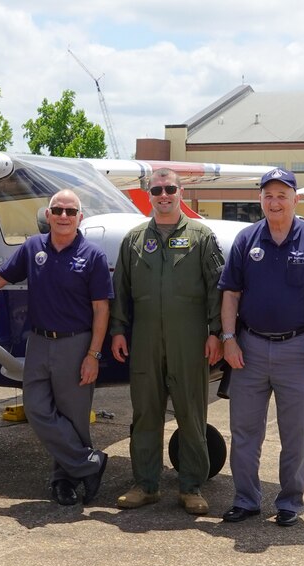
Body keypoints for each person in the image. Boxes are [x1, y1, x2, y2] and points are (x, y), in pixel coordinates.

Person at [218, 168, 304, 527]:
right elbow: (231, 294)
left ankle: (289, 502)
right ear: (260, 199)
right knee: (244, 432)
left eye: (282, 195)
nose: (275, 202)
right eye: (268, 196)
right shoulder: (246, 240)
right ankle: (245, 500)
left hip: (301, 350)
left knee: (297, 434)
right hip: (250, 349)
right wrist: (229, 340)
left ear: (295, 199)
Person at [109, 169, 224, 515]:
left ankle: (191, 486)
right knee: (146, 412)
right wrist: (117, 329)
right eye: (156, 189)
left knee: (191, 412)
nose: (163, 194)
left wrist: (217, 333)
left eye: (169, 188)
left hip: (189, 339)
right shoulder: (133, 240)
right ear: (149, 194)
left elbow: (216, 289)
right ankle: (145, 484)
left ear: (180, 192)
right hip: (144, 339)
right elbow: (121, 291)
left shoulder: (202, 236)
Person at [0, 190, 111, 506]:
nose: (63, 216)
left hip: (76, 344)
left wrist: (93, 355)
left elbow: (101, 310)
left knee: (74, 419)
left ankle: (64, 482)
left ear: (80, 218)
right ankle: (91, 464)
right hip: (39, 342)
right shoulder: (33, 247)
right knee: (36, 409)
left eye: (70, 211)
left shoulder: (93, 255)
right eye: (57, 210)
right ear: (48, 214)